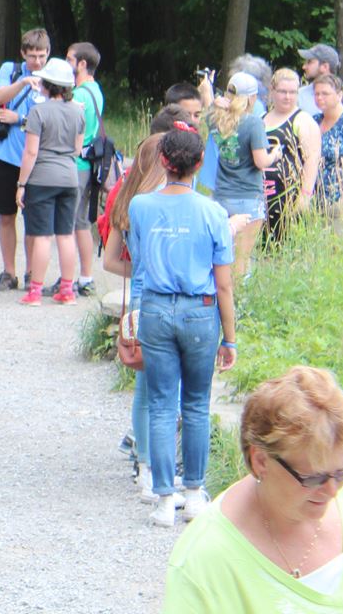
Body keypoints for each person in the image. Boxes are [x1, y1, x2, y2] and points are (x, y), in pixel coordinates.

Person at [163, 366, 343, 609]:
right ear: (261, 461)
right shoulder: (203, 561)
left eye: (342, 472)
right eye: (314, 478)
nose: (332, 490)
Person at [130, 129, 237, 527]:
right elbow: (223, 284)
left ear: (163, 161)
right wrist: (230, 338)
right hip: (200, 311)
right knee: (195, 404)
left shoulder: (140, 206)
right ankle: (194, 493)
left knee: (161, 404)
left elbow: (139, 260)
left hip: (156, 308)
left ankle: (162, 498)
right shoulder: (214, 213)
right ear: (200, 163)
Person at [100, 132, 167, 500]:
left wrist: (139, 272)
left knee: (143, 387)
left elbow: (109, 261)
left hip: (140, 297)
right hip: (168, 296)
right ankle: (164, 462)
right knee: (169, 388)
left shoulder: (126, 201)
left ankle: (144, 463)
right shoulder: (166, 203)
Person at [15, 59, 85, 307]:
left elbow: (31, 152)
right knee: (65, 234)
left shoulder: (38, 112)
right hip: (69, 178)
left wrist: (21, 184)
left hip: (42, 178)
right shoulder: (78, 111)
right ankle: (67, 290)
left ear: (47, 84)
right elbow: (77, 149)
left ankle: (35, 291)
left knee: (42, 236)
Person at [0, 28, 50, 291]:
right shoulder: (10, 71)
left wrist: (19, 119)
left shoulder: (52, 78)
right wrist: (23, 82)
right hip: (6, 156)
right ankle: (8, 272)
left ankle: (31, 273)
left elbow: (52, 117)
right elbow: (0, 97)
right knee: (5, 215)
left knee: (33, 219)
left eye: (42, 56)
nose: (37, 61)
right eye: (32, 56)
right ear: (23, 53)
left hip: (37, 159)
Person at [205, 70, 275, 279]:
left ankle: (219, 291)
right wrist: (275, 154)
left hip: (220, 196)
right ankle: (239, 296)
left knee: (221, 255)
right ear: (252, 98)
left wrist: (214, 101)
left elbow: (207, 100)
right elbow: (260, 161)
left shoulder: (215, 118)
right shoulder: (253, 123)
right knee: (242, 258)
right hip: (247, 197)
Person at [261, 68, 321, 245]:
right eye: (282, 92)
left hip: (289, 197)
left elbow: (312, 160)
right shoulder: (261, 118)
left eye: (292, 92)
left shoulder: (303, 120)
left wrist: (305, 195)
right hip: (262, 196)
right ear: (272, 91)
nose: (287, 97)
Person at [67, 42, 104, 296]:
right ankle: (85, 277)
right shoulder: (96, 90)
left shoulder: (79, 95)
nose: (66, 63)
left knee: (67, 224)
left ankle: (67, 280)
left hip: (76, 164)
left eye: (70, 59)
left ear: (82, 64)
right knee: (81, 223)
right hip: (89, 164)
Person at [313, 73, 343, 210]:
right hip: (315, 200)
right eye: (317, 94)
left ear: (339, 95)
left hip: (342, 199)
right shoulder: (314, 121)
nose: (320, 97)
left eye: (325, 94)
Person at [300, 43, 343, 111]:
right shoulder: (298, 96)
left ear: (325, 67)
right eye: (317, 94)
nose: (304, 67)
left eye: (309, 62)